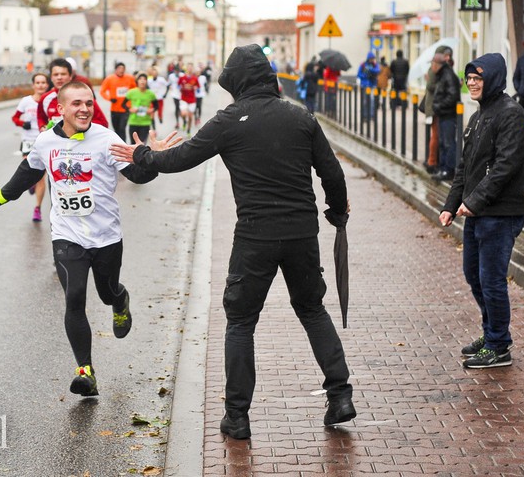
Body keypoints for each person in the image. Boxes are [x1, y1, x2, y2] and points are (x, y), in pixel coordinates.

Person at [110, 44, 356, 439]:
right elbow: (332, 173)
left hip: (255, 236)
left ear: (236, 82)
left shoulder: (229, 121)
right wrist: (336, 211)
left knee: (241, 322)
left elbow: (179, 159)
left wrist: (143, 154)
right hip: (301, 234)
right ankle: (340, 396)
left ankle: (237, 417)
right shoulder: (301, 117)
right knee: (312, 310)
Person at [0, 82, 174, 396]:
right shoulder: (44, 142)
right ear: (60, 108)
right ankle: (85, 370)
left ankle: (120, 300)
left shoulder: (106, 138)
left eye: (89, 103)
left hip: (106, 235)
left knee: (107, 293)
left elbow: (137, 174)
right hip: (67, 235)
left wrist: (156, 159)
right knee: (75, 297)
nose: (84, 109)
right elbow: (27, 172)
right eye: (77, 103)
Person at [439, 53, 524, 369]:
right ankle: (492, 333)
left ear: (493, 79)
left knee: (491, 279)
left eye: (478, 78)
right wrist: (451, 205)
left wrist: (474, 201)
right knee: (474, 275)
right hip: (477, 213)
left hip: (500, 213)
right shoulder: (478, 116)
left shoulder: (511, 115)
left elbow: (505, 167)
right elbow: (465, 167)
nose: (472, 84)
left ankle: (499, 345)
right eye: (470, 79)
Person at [11, 72, 50, 221]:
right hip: (28, 141)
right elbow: (15, 117)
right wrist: (22, 124)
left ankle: (37, 209)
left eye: (43, 82)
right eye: (37, 83)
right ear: (33, 85)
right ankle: (30, 183)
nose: (40, 85)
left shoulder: (50, 101)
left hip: (44, 141)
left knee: (40, 177)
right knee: (29, 170)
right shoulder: (26, 101)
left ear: (47, 85)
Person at [38, 58, 108, 133]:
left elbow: (103, 123)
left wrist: (81, 127)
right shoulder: (45, 98)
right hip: (55, 142)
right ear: (51, 77)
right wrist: (42, 127)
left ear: (70, 76)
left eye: (63, 74)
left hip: (80, 142)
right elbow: (41, 118)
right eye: (56, 75)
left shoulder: (83, 97)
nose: (59, 78)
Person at [430, 49, 462, 182]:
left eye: (432, 64)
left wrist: (439, 105)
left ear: (438, 64)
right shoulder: (442, 75)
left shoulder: (447, 75)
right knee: (443, 142)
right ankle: (443, 169)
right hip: (443, 114)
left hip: (448, 114)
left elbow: (452, 95)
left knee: (448, 143)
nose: (431, 67)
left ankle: (448, 170)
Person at [100, 62, 137, 141]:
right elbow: (102, 91)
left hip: (125, 108)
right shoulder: (109, 79)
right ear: (115, 70)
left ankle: (123, 146)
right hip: (114, 109)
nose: (121, 70)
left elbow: (135, 90)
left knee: (122, 128)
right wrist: (110, 98)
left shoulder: (129, 78)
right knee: (116, 129)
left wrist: (132, 101)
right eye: (119, 69)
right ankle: (118, 145)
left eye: (123, 69)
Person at [123, 72, 157, 145]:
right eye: (140, 79)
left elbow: (156, 106)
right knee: (133, 144)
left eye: (144, 79)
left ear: (146, 81)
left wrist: (151, 110)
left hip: (145, 123)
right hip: (133, 122)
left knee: (141, 144)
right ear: (137, 81)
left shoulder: (150, 94)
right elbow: (123, 104)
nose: (142, 81)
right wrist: (130, 110)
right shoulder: (131, 92)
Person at [357, 52, 379, 121]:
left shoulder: (374, 65)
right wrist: (365, 75)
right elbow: (358, 74)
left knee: (372, 101)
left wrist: (370, 70)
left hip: (372, 85)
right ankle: (365, 116)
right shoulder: (363, 65)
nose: (372, 60)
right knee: (365, 101)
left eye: (373, 59)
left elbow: (378, 70)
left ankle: (372, 115)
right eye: (371, 58)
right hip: (365, 85)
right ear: (368, 58)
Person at [177, 63, 199, 135]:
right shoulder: (182, 77)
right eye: (188, 67)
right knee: (183, 113)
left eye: (191, 68)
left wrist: (193, 87)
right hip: (184, 98)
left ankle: (188, 130)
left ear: (192, 69)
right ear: (186, 68)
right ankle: (184, 121)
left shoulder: (195, 78)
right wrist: (183, 88)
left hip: (192, 100)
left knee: (190, 116)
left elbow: (198, 87)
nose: (189, 69)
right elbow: (178, 86)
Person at [167, 66, 183, 130]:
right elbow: (169, 84)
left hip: (182, 94)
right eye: (176, 71)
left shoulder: (182, 75)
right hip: (174, 94)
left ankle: (184, 120)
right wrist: (165, 94)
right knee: (177, 107)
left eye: (178, 71)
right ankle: (177, 122)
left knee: (181, 108)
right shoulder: (171, 76)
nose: (177, 72)